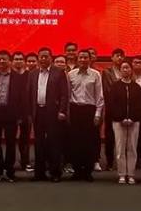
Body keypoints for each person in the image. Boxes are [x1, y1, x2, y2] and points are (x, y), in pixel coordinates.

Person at [26, 47, 70, 182]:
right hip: (38, 112)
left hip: (53, 112)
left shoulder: (59, 72)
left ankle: (55, 173)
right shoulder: (32, 73)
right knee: (38, 143)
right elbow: (29, 94)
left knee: (54, 143)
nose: (43, 59)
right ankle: (39, 173)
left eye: (46, 56)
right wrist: (29, 113)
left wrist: (62, 111)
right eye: (41, 57)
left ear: (51, 58)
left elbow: (64, 94)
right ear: (38, 58)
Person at [0, 50, 23, 182]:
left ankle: (10, 171)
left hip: (11, 115)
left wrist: (20, 116)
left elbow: (22, 98)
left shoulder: (18, 77)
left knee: (11, 144)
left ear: (9, 61)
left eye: (4, 59)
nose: (1, 61)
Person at [67, 49, 104, 182]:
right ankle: (77, 171)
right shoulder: (70, 74)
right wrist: (68, 113)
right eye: (81, 58)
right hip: (75, 110)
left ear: (90, 59)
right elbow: (67, 95)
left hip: (90, 110)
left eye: (85, 57)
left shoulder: (96, 74)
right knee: (75, 142)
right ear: (77, 60)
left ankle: (88, 171)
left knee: (89, 142)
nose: (83, 60)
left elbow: (99, 96)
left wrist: (98, 114)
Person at [107, 59, 141, 184]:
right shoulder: (115, 87)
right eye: (123, 68)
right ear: (120, 70)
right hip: (118, 122)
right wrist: (121, 118)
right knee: (120, 148)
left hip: (134, 122)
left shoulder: (137, 88)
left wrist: (132, 118)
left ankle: (131, 174)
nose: (125, 70)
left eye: (127, 68)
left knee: (132, 148)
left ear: (131, 70)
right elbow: (112, 105)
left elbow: (140, 106)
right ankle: (122, 174)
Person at [100, 48, 125, 172]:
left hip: (125, 107)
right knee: (110, 136)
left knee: (125, 136)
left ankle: (125, 162)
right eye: (117, 55)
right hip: (111, 107)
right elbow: (106, 89)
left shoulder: (126, 70)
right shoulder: (107, 72)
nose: (119, 58)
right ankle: (110, 162)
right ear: (112, 57)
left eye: (121, 56)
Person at [12, 51, 32, 172]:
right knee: (10, 138)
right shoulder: (9, 75)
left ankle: (25, 162)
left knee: (25, 139)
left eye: (20, 59)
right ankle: (10, 163)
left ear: (24, 61)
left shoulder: (30, 75)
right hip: (11, 112)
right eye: (16, 59)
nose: (18, 61)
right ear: (12, 61)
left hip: (26, 112)